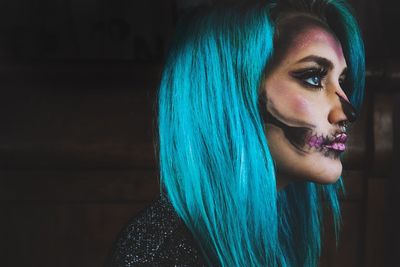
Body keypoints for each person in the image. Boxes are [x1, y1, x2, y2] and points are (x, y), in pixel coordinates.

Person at [106, 0, 365, 266]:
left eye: (341, 82)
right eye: (313, 77)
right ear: (231, 95)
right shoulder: (160, 255)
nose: (346, 111)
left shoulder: (267, 234)